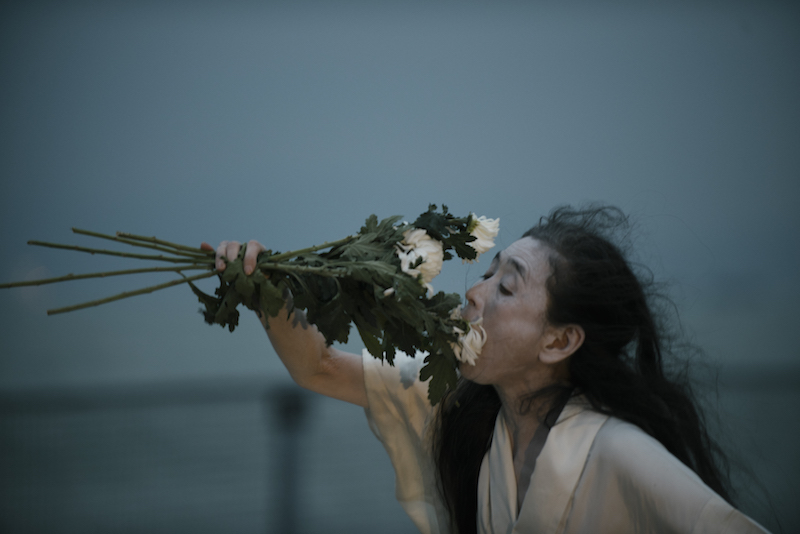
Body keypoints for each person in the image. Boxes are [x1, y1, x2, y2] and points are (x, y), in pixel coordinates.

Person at [202, 205, 770, 534]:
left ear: (559, 340)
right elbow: (320, 366)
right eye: (487, 275)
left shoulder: (619, 454)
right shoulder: (461, 405)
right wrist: (263, 287)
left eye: (507, 286)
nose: (473, 294)